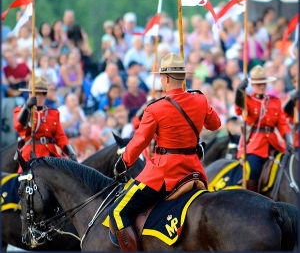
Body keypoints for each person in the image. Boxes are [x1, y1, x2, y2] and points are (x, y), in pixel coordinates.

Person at [108, 53, 221, 251]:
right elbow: (215, 124)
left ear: (166, 79)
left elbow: (140, 141)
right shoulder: (200, 100)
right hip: (194, 172)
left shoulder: (155, 109)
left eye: (161, 77)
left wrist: (124, 161)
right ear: (183, 78)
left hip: (164, 175)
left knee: (116, 212)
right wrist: (195, 99)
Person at [235, 65, 293, 192]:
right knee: (253, 169)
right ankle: (252, 197)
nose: (261, 86)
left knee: (286, 164)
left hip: (273, 143)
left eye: (263, 83)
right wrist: (239, 91)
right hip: (255, 144)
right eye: (258, 84)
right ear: (253, 85)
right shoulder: (248, 100)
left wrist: (288, 139)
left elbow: (282, 123)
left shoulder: (275, 101)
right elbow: (239, 110)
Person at [13, 77, 77, 173]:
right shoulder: (20, 111)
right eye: (33, 93)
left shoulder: (53, 114)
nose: (36, 96)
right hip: (30, 153)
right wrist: (27, 107)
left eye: (39, 93)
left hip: (50, 154)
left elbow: (60, 137)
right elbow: (19, 126)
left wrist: (70, 152)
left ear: (45, 95)